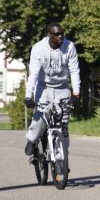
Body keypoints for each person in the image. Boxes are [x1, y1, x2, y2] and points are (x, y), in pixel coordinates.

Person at [23, 22, 81, 165]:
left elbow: (74, 70)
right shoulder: (38, 48)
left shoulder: (69, 47)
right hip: (43, 88)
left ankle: (61, 158)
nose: (60, 36)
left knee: (63, 124)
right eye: (56, 34)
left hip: (62, 87)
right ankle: (32, 140)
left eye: (62, 33)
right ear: (49, 35)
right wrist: (28, 96)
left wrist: (76, 93)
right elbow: (34, 74)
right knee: (39, 119)